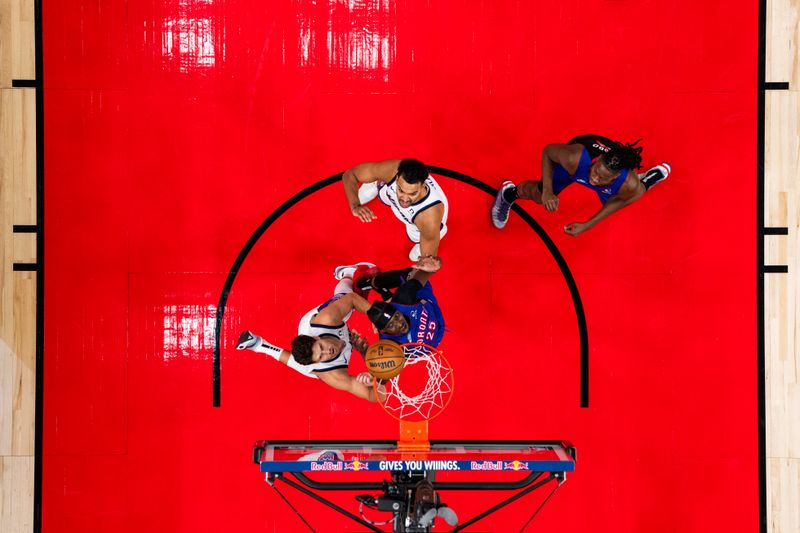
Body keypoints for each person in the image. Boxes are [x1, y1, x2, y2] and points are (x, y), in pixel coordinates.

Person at [236, 263, 397, 402]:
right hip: (319, 364)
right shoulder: (333, 375)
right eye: (321, 357)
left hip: (311, 324)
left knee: (345, 301)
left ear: (316, 337)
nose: (328, 352)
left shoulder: (325, 320)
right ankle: (257, 344)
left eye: (321, 347)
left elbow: (352, 299)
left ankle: (346, 273)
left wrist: (378, 318)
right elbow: (373, 397)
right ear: (317, 362)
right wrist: (378, 376)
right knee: (302, 367)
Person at [491, 134, 671, 236]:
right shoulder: (574, 159)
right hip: (577, 169)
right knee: (539, 196)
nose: (594, 179)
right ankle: (508, 194)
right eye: (596, 171)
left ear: (616, 176)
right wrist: (547, 191)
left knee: (633, 192)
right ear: (598, 159)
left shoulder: (627, 183)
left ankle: (648, 180)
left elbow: (621, 202)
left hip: (624, 184)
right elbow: (548, 152)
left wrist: (588, 225)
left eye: (601, 178)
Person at [342, 158, 448, 262]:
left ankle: (430, 238)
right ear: (397, 179)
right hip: (391, 192)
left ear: (423, 186)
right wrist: (355, 205)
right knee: (382, 185)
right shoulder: (392, 170)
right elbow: (350, 174)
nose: (405, 199)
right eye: (401, 190)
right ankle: (375, 183)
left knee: (419, 241)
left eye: (412, 193)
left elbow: (428, 265)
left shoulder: (428, 219)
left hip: (419, 222)